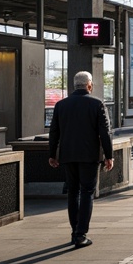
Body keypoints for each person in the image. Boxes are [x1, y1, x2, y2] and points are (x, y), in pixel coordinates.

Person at [48, 71, 114, 248]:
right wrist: (109, 155)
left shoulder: (61, 105)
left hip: (68, 155)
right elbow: (105, 132)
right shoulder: (97, 104)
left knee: (73, 192)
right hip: (89, 155)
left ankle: (74, 230)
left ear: (74, 85)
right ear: (89, 85)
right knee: (86, 192)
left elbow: (54, 131)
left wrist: (52, 154)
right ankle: (80, 234)